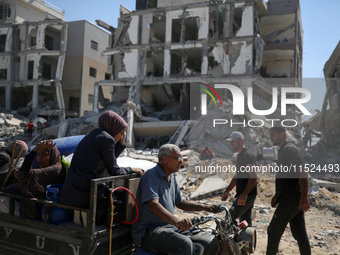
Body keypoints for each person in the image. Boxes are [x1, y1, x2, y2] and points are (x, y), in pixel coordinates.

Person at [131, 144, 219, 255]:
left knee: (206, 240)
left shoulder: (171, 177)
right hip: (149, 231)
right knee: (185, 244)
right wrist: (176, 220)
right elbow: (154, 205)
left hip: (168, 227)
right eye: (178, 158)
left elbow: (180, 202)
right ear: (165, 159)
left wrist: (206, 207)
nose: (181, 162)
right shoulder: (151, 176)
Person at [60, 110, 144, 225]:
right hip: (84, 192)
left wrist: (119, 144)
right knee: (121, 201)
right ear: (113, 128)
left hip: (72, 190)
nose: (121, 137)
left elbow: (108, 161)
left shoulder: (94, 134)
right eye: (121, 133)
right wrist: (132, 169)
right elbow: (115, 171)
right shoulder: (107, 139)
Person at [266, 125, 311, 255]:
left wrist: (304, 197)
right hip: (291, 199)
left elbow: (303, 172)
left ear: (282, 135)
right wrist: (277, 195)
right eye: (270, 135)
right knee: (300, 235)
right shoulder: (283, 151)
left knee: (273, 231)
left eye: (273, 134)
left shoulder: (289, 149)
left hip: (290, 201)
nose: (271, 137)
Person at [3, 140, 64, 220]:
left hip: (33, 214)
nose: (40, 158)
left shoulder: (56, 169)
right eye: (38, 154)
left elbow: (25, 174)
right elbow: (28, 178)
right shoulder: (46, 171)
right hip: (32, 211)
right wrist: (20, 177)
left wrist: (36, 149)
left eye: (44, 154)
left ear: (52, 155)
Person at [221, 131, 257, 226]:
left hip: (247, 194)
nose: (231, 143)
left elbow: (253, 176)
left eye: (233, 141)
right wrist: (227, 190)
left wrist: (245, 194)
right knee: (245, 222)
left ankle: (231, 239)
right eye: (230, 141)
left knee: (229, 217)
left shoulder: (247, 155)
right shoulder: (240, 155)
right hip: (243, 193)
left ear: (241, 141)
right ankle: (246, 239)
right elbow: (238, 176)